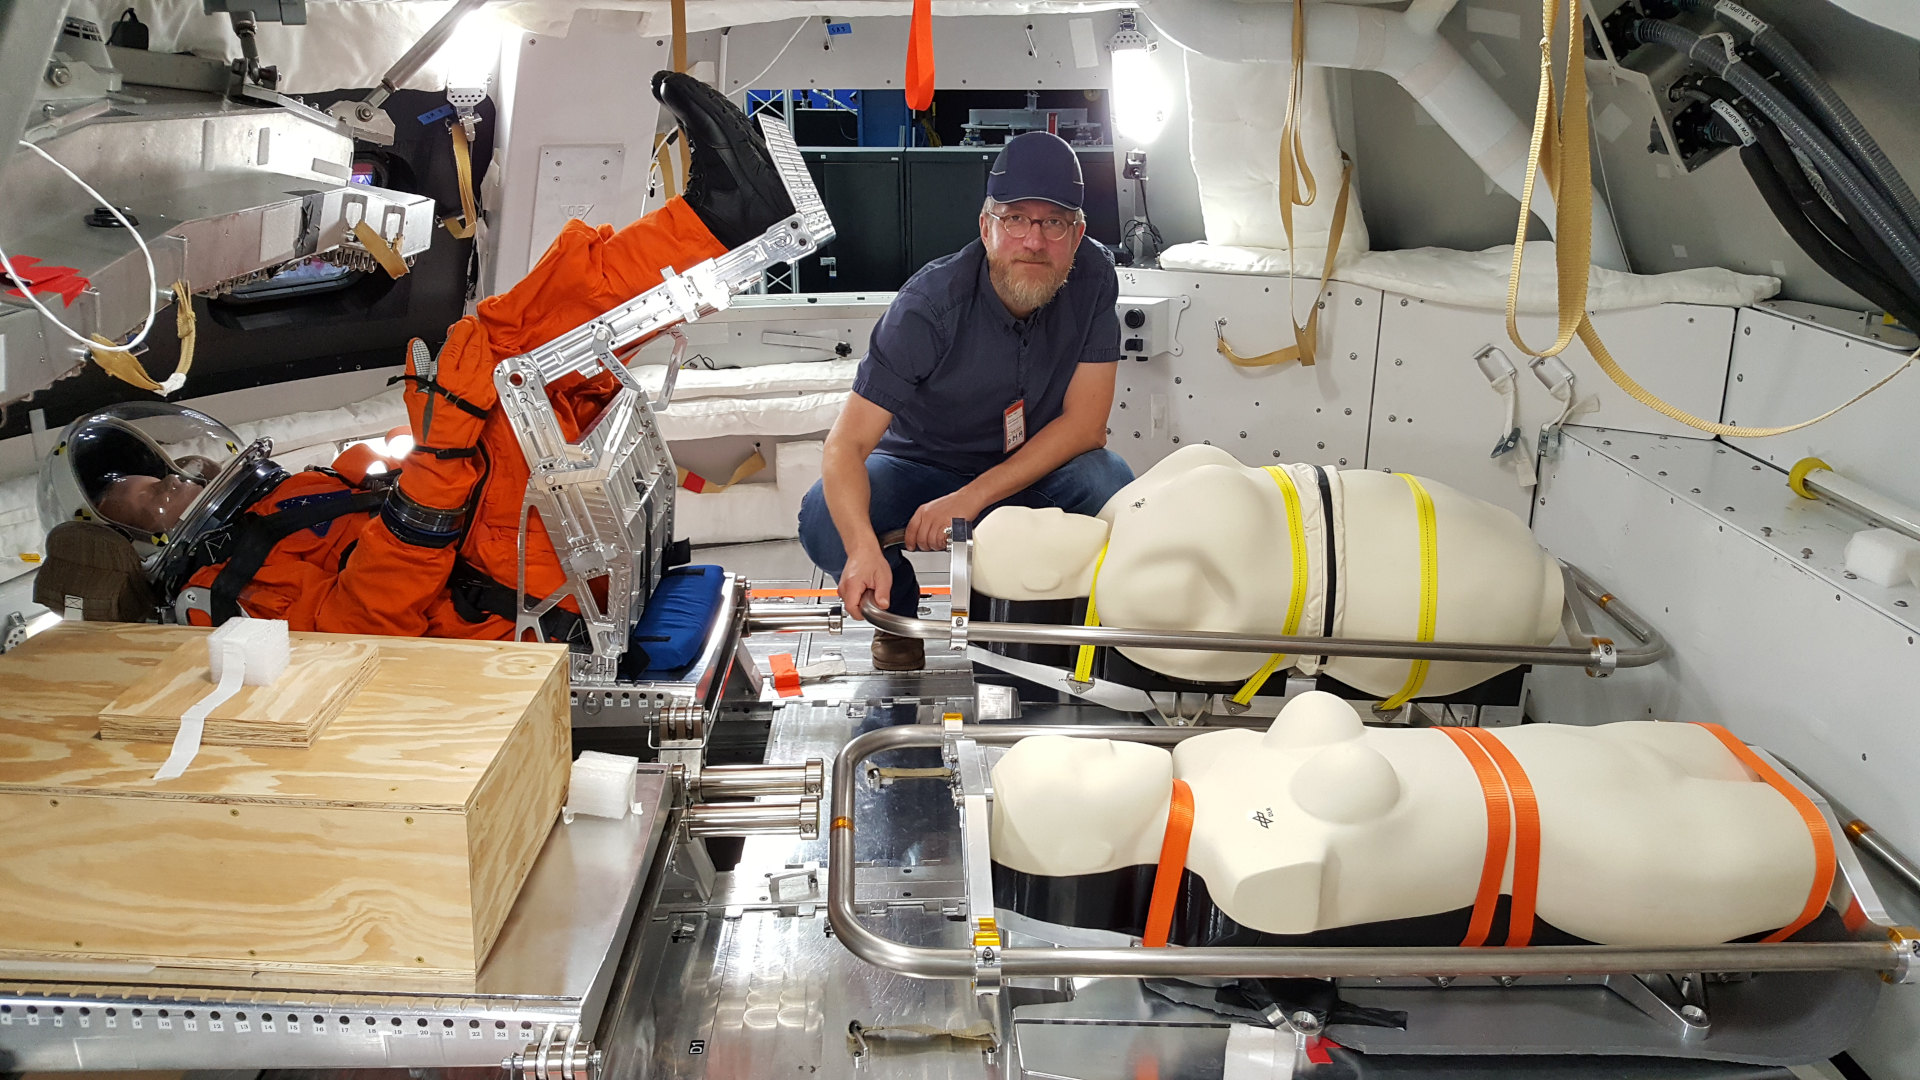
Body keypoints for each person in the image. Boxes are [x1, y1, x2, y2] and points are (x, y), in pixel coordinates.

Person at [36, 72, 791, 649]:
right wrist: (447, 441)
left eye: (162, 476)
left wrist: (423, 444)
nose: (174, 487)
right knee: (501, 352)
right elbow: (368, 619)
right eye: (148, 503)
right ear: (139, 548)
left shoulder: (263, 506)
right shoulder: (216, 593)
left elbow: (367, 501)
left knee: (538, 359)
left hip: (510, 547)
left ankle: (719, 232)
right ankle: (718, 229)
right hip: (496, 597)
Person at [798, 131, 1136, 671]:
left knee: (1111, 485)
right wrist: (864, 550)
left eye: (1054, 222)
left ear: (1078, 234)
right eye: (1015, 219)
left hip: (1032, 470)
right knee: (822, 516)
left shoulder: (1094, 277)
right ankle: (899, 618)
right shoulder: (927, 307)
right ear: (985, 227)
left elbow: (1086, 427)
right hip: (922, 464)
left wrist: (969, 501)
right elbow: (847, 445)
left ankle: (1047, 622)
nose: (1033, 240)